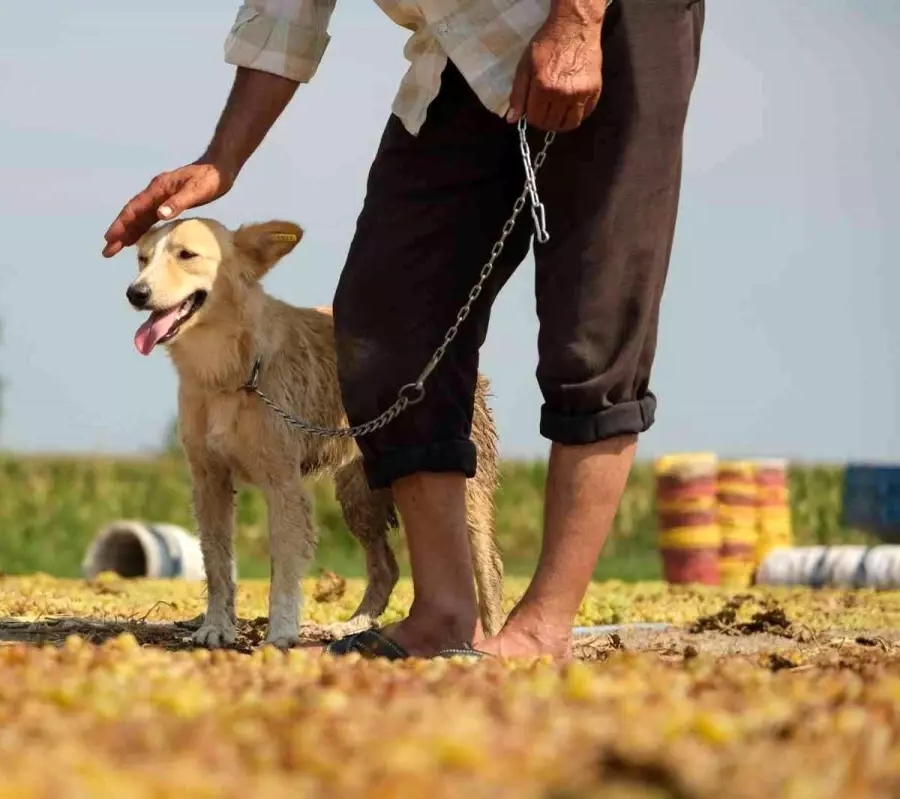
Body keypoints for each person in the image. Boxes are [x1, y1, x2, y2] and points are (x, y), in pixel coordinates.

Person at [102, 0, 705, 660]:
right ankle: (443, 613)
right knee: (383, 316)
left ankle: (543, 626)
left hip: (608, 24)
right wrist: (223, 157)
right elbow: (285, 10)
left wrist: (578, 21)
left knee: (592, 328)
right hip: (459, 51)